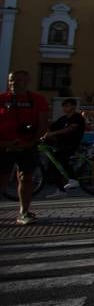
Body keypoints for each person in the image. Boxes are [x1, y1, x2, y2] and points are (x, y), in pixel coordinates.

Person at [2, 70, 50, 225]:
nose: (13, 83)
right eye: (11, 80)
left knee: (26, 177)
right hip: (4, 146)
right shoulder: (2, 99)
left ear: (27, 81)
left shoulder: (37, 99)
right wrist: (5, 144)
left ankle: (24, 211)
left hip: (27, 145)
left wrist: (31, 142)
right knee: (1, 178)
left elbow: (43, 124)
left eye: (18, 80)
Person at [42, 97, 86, 192]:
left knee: (61, 158)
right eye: (63, 106)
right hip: (60, 143)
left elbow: (71, 128)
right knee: (54, 163)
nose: (64, 108)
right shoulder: (63, 118)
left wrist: (53, 133)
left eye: (67, 106)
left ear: (74, 106)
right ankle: (60, 189)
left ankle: (73, 179)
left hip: (71, 143)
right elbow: (52, 126)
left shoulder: (77, 118)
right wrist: (46, 132)